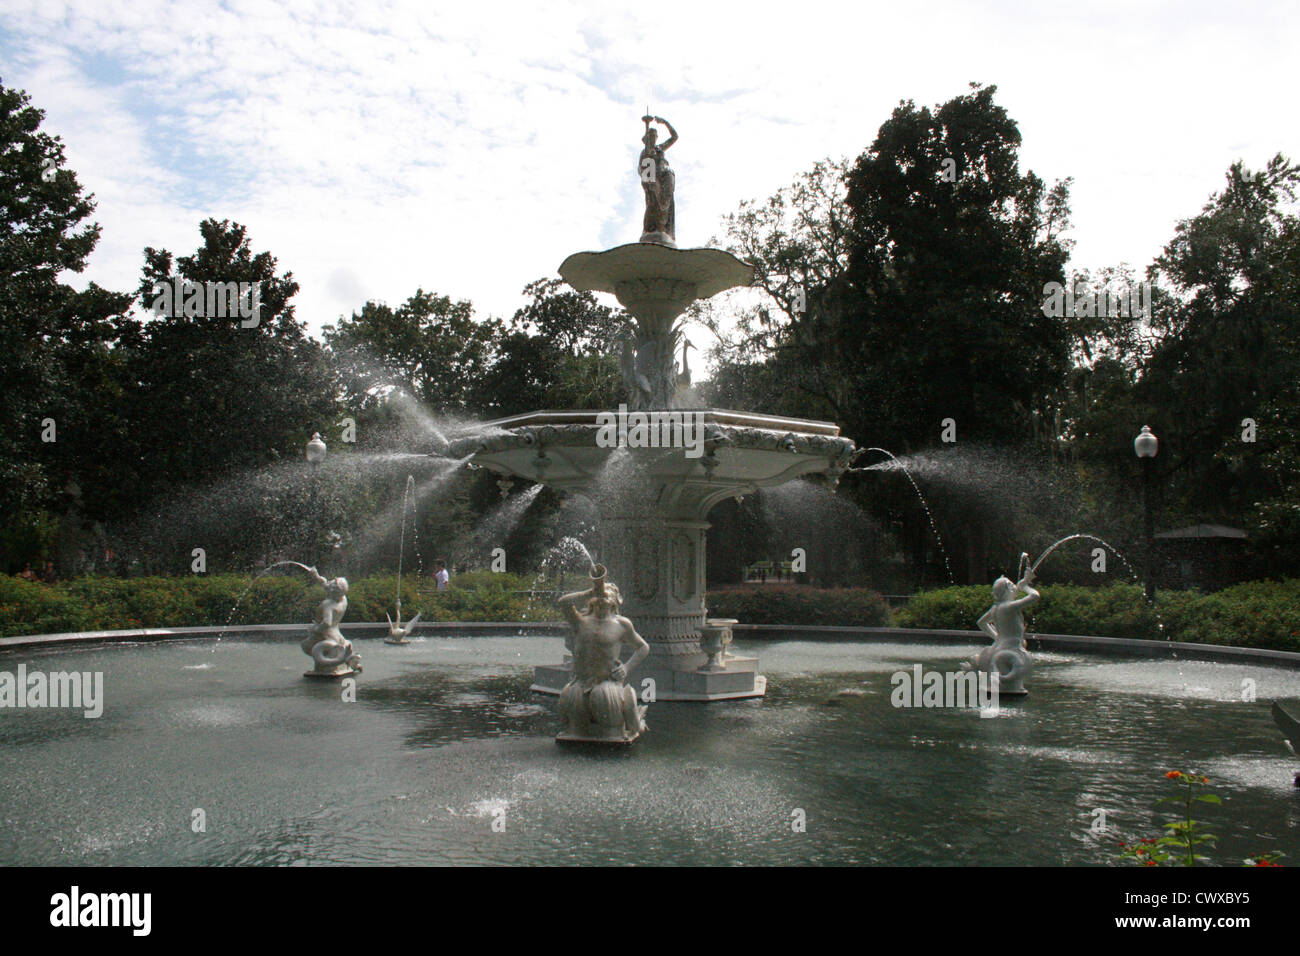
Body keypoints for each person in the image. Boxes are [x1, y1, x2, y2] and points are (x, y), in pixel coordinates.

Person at [556, 565, 650, 740]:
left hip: (607, 685)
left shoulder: (622, 624)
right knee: (575, 733)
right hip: (580, 683)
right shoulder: (580, 621)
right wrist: (589, 592)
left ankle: (634, 724)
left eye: (607, 592)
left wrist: (627, 668)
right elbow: (563, 602)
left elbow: (643, 647)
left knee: (610, 732)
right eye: (600, 592)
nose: (603, 595)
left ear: (615, 599)